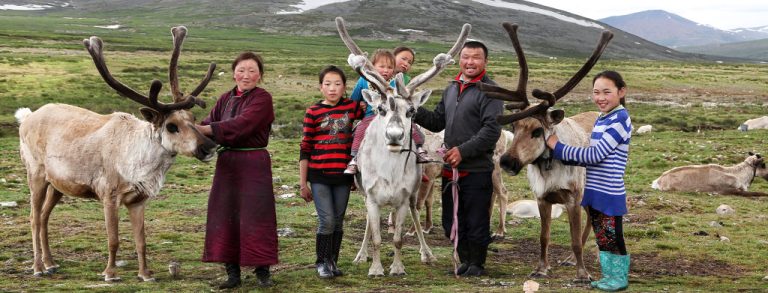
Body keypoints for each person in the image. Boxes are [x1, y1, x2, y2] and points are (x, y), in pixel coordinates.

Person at [412, 40, 503, 276]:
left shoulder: (491, 92)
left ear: (485, 61)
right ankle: (464, 259)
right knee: (451, 220)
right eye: (466, 57)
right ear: (459, 59)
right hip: (450, 168)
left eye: (476, 57)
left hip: (476, 168)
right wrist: (413, 109)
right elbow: (437, 121)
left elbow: (491, 131)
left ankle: (477, 263)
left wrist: (463, 151)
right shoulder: (452, 88)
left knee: (475, 219)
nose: (470, 62)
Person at [195, 51, 276, 289]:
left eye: (252, 71)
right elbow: (209, 122)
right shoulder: (225, 98)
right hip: (227, 164)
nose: (246, 75)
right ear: (234, 73)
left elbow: (243, 125)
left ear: (260, 75)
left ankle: (263, 271)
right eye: (241, 70)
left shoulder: (263, 98)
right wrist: (195, 134)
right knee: (225, 214)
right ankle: (232, 273)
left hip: (254, 163)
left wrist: (204, 129)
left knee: (257, 215)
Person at [545, 70, 631, 292]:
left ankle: (618, 278)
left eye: (606, 92)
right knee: (602, 237)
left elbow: (595, 155)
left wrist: (558, 147)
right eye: (596, 92)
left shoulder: (620, 118)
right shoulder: (604, 118)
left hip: (609, 190)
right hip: (595, 188)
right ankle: (609, 276)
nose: (600, 98)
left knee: (612, 237)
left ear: (621, 92)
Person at [299, 65, 364, 279]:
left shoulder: (352, 108)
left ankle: (332, 261)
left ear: (345, 87)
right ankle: (321, 262)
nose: (332, 88)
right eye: (327, 84)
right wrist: (302, 183)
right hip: (319, 174)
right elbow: (305, 148)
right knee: (326, 220)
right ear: (320, 87)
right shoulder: (313, 112)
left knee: (338, 219)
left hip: (343, 175)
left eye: (337, 84)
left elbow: (373, 110)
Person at [344, 49, 430, 174]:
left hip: (394, 117)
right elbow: (353, 100)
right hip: (370, 117)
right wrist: (360, 105)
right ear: (373, 66)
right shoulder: (363, 80)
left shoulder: (397, 82)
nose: (386, 70)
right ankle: (355, 159)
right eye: (382, 66)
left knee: (412, 128)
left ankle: (419, 150)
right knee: (360, 131)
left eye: (390, 67)